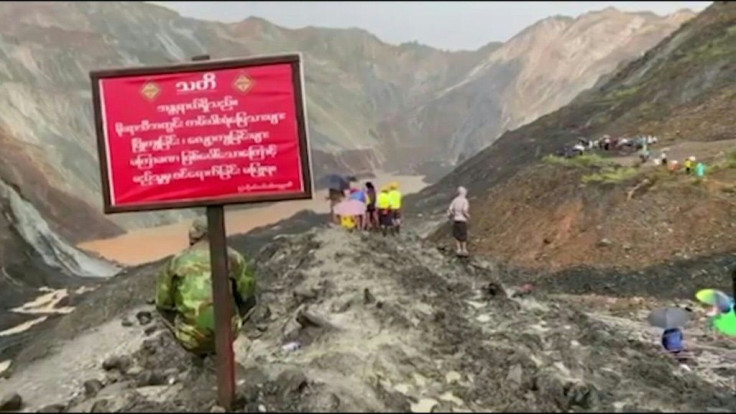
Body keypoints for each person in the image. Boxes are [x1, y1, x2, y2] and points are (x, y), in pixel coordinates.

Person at [155, 217, 257, 356]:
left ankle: (196, 340)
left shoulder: (176, 261)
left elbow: (163, 303)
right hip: (226, 337)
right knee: (250, 300)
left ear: (193, 235)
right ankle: (226, 334)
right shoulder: (233, 257)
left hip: (191, 341)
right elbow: (247, 295)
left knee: (162, 310)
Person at [447, 186, 470, 257]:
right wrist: (468, 216)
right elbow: (464, 210)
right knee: (463, 235)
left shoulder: (455, 200)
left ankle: (458, 249)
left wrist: (453, 215)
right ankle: (464, 249)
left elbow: (450, 209)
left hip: (455, 219)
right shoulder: (464, 200)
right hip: (462, 219)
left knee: (457, 235)